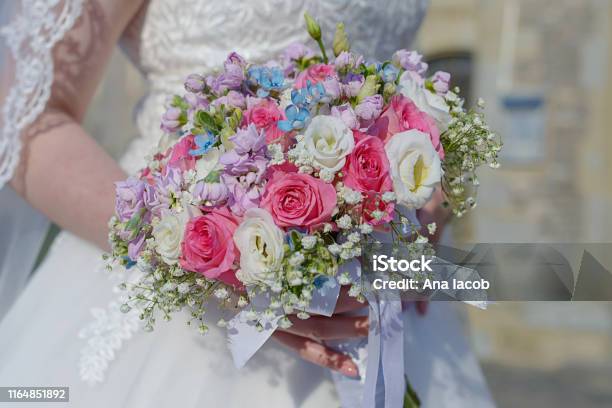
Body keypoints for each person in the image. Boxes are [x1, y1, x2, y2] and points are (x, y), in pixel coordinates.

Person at [0, 1, 495, 406]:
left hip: (387, 286)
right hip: (178, 282)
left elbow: (402, 89)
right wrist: (206, 257)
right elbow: (24, 117)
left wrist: (431, 201)